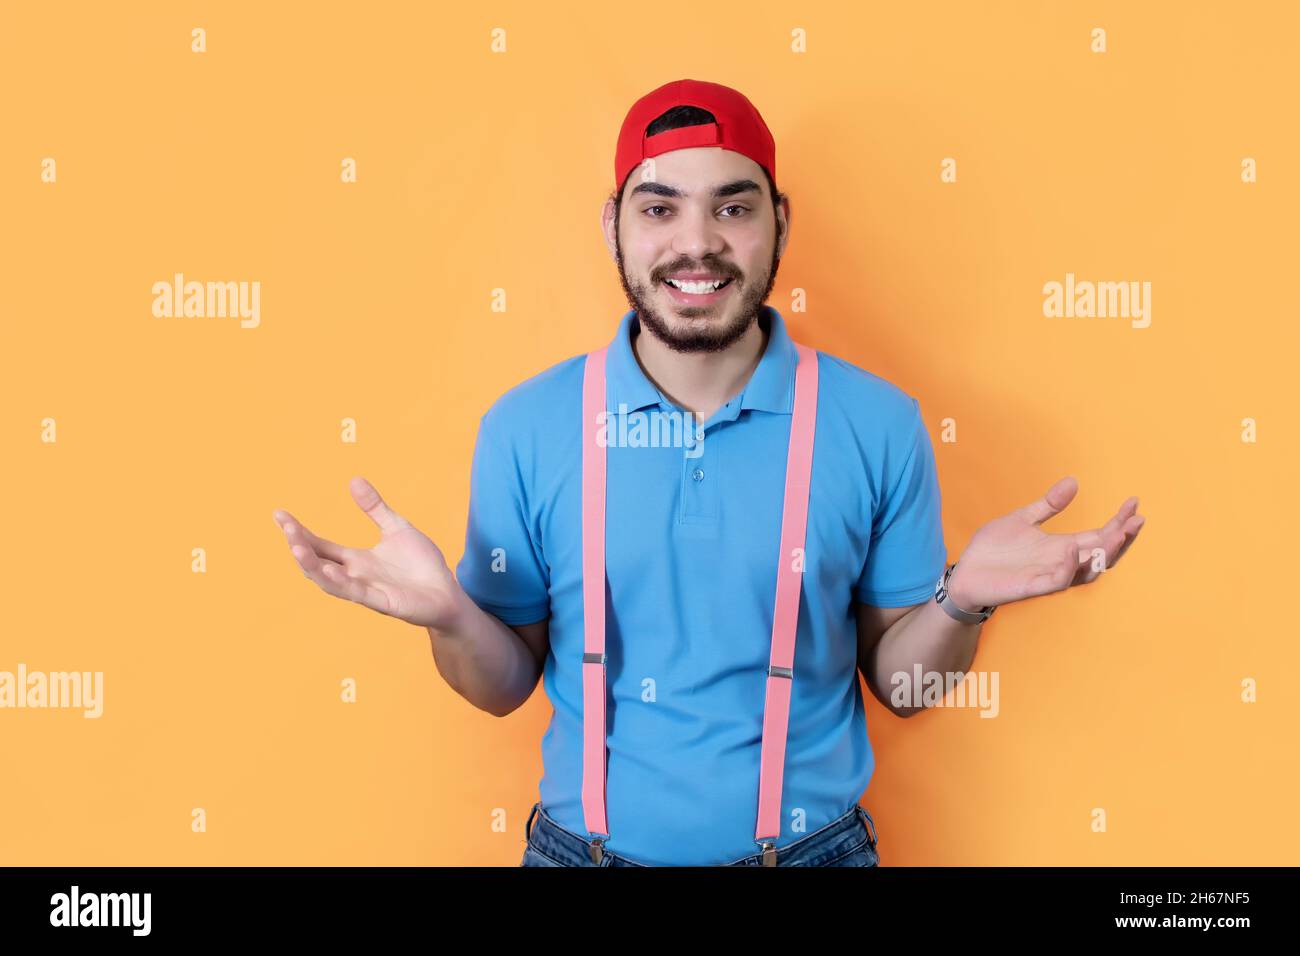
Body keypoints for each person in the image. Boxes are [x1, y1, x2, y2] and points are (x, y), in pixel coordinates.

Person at [273, 79, 1145, 867]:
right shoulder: (527, 429)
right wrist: (450, 618)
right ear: (613, 224)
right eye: (661, 210)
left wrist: (962, 600)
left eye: (733, 207)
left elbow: (901, 687)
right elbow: (501, 689)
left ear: (781, 223)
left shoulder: (879, 424)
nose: (698, 245)